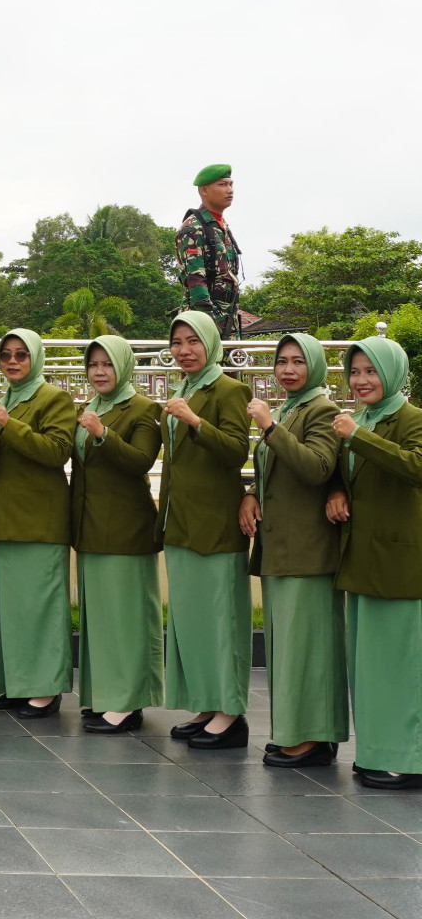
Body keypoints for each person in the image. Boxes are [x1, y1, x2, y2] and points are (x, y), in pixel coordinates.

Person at [239, 334, 344, 766]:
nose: (287, 370)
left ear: (315, 365)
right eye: (281, 361)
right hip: (279, 546)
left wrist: (269, 427)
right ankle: (294, 731)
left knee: (307, 648)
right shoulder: (289, 409)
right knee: (287, 648)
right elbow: (274, 468)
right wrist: (250, 493)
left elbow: (317, 467)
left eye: (298, 361)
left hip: (307, 549)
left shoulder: (322, 410)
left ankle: (312, 737)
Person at [328, 337, 422, 790]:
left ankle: (409, 760)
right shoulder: (360, 419)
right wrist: (336, 491)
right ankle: (378, 752)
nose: (361, 380)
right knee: (369, 667)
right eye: (355, 371)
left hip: (399, 561)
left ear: (393, 374)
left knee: (400, 665)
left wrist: (358, 437)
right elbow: (347, 473)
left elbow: (416, 467)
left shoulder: (411, 418)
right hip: (363, 557)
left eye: (371, 371)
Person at [161, 310, 253, 749]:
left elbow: (236, 451)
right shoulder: (182, 389)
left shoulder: (230, 389)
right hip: (181, 521)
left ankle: (230, 713)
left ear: (211, 343)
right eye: (177, 342)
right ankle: (207, 703)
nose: (184, 350)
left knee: (222, 622)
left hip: (215, 524)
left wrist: (195, 421)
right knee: (193, 622)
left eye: (193, 341)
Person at [71, 336, 164, 734]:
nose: (99, 372)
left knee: (127, 618)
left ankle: (128, 702)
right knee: (102, 618)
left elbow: (141, 460)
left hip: (126, 528)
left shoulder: (143, 408)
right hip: (91, 526)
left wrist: (102, 434)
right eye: (93, 365)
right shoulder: (89, 407)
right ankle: (106, 694)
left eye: (107, 364)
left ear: (124, 366)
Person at [0, 328, 75, 717]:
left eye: (21, 354)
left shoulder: (54, 397)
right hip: (4, 519)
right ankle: (16, 684)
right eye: (5, 355)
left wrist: (10, 425)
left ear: (35, 357)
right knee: (11, 610)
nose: (12, 361)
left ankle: (45, 688)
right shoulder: (5, 398)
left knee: (41, 608)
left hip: (39, 522)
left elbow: (57, 451)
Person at [175, 165, 242, 339]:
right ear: (204, 190)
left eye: (231, 184)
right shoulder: (193, 228)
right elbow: (195, 279)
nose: (230, 190)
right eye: (222, 185)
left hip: (228, 316)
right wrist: (207, 324)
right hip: (204, 319)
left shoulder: (221, 226)